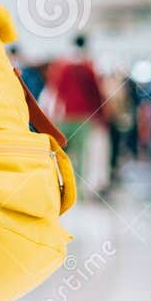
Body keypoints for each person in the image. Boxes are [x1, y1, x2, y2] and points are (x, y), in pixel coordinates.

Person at [45, 35, 106, 191]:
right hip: (82, 118)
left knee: (60, 154)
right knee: (80, 156)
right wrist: (100, 116)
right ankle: (76, 190)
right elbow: (96, 95)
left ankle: (58, 186)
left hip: (63, 117)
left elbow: (54, 93)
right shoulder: (88, 68)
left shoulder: (61, 66)